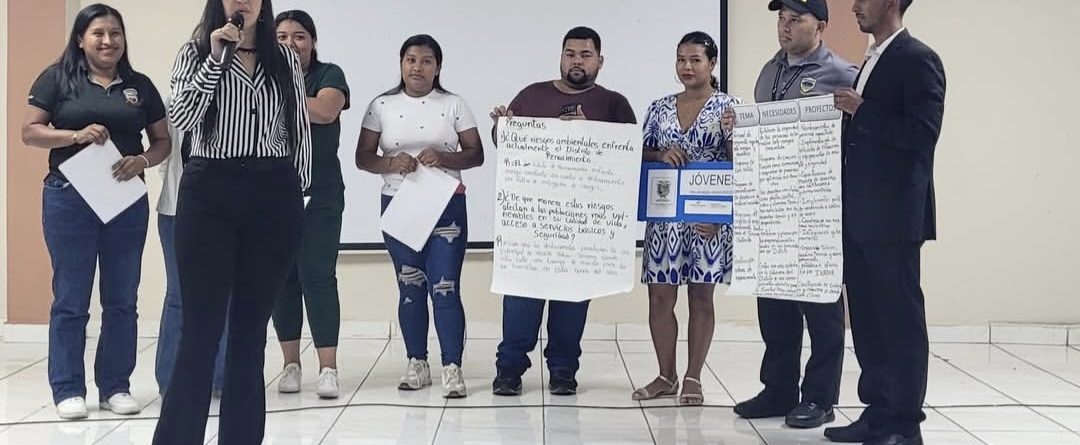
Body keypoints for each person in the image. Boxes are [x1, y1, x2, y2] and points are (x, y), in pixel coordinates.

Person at [152, 0, 311, 442]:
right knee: (200, 333)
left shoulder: (284, 58)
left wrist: (298, 191)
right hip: (211, 191)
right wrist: (215, 60)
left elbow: (297, 128)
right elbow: (183, 118)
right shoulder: (196, 51)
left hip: (272, 191)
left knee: (249, 335)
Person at [20, 3, 170, 420]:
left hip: (125, 201)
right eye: (98, 33)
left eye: (115, 33)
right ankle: (68, 388)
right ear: (80, 39)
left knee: (122, 298)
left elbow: (162, 142)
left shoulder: (139, 85)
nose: (108, 41)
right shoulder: (57, 78)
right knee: (71, 298)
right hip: (69, 198)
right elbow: (30, 132)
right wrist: (74, 135)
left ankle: (115, 386)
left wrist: (142, 161)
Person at [731, 0, 858, 429]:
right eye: (781, 20)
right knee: (774, 304)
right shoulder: (769, 71)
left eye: (795, 20)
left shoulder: (842, 73)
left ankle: (820, 397)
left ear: (820, 25)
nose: (784, 27)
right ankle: (778, 389)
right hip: (772, 206)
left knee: (821, 308)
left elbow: (861, 132)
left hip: (818, 209)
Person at [489, 26, 636, 397]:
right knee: (521, 298)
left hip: (582, 227)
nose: (577, 61)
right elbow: (505, 145)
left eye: (585, 55)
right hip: (531, 221)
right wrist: (502, 127)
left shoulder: (614, 104)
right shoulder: (532, 95)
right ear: (561, 57)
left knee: (571, 301)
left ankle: (563, 371)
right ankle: (509, 370)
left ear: (600, 61)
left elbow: (628, 158)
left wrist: (591, 134)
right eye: (570, 54)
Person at [825, 0, 945, 444]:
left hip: (894, 218)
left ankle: (904, 424)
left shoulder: (918, 59)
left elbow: (922, 134)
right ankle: (877, 413)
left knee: (899, 322)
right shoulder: (871, 59)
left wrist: (862, 110)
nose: (855, 6)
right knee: (869, 321)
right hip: (860, 216)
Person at [356, 34, 484, 399]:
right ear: (401, 64)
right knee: (410, 286)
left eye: (426, 61)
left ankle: (452, 366)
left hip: (444, 203)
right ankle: (417, 362)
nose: (417, 67)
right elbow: (363, 157)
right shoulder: (380, 105)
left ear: (437, 67)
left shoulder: (454, 104)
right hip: (399, 204)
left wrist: (444, 157)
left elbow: (475, 154)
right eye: (411, 59)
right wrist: (390, 163)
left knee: (445, 286)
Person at [632, 31, 737, 407]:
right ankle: (666, 375)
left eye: (695, 60)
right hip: (664, 220)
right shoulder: (659, 107)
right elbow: (637, 153)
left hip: (708, 221)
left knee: (701, 297)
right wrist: (660, 154)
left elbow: (741, 163)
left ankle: (693, 377)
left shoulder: (729, 107)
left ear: (712, 63)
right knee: (659, 297)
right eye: (681, 59)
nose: (687, 67)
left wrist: (723, 218)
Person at [272, 9, 350, 400]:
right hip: (272, 193)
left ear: (313, 42)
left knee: (317, 275)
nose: (291, 43)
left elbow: (323, 111)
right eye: (282, 37)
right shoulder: (262, 77)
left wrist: (273, 100)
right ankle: (291, 364)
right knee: (282, 279)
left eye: (299, 36)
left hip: (319, 193)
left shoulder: (329, 74)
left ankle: (327, 368)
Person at [154, 121, 228, 399]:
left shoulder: (234, 102)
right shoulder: (171, 102)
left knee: (225, 294)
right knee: (178, 295)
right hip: (176, 207)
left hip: (226, 208)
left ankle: (220, 379)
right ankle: (170, 379)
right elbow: (166, 154)